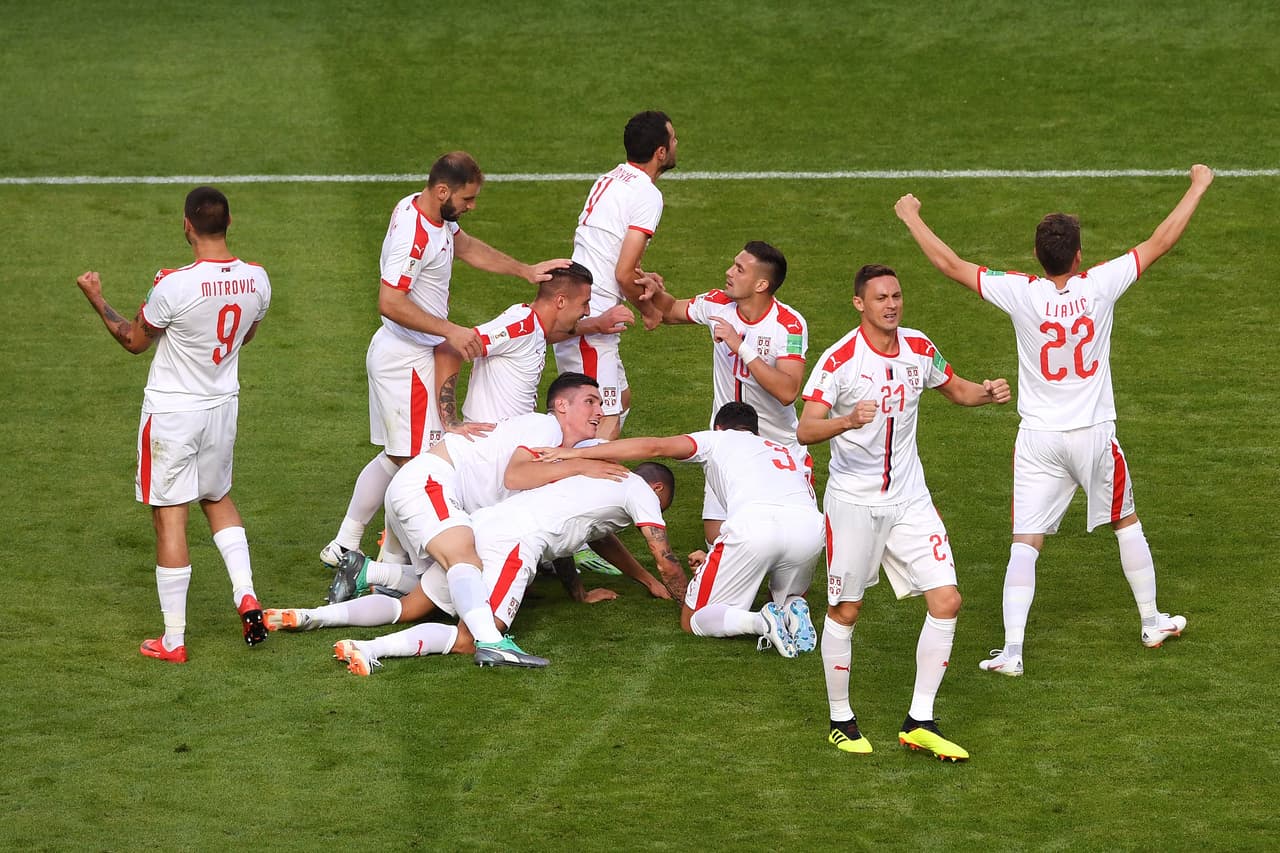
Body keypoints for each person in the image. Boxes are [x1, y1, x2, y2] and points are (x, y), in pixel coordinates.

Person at [894, 165, 1214, 676]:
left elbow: (951, 265)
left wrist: (911, 216)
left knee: (1026, 541)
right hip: (1093, 434)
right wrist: (1197, 186)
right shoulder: (1101, 284)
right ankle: (1152, 620)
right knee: (1125, 521)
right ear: (1079, 255)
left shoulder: (1022, 291)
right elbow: (1161, 241)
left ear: (1037, 255)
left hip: (1038, 438)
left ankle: (1012, 651)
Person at [798, 264, 1011, 760]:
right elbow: (805, 429)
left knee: (947, 600)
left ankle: (920, 721)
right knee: (846, 610)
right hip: (854, 503)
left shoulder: (919, 347)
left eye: (896, 296)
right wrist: (847, 420)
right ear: (860, 304)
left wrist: (987, 393)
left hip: (910, 499)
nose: (891, 305)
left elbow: (957, 389)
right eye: (880, 298)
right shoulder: (840, 360)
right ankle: (840, 719)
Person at [320, 152, 568, 570]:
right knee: (419, 466)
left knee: (399, 456)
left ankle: (346, 544)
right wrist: (449, 330)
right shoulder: (414, 237)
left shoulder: (427, 213)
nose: (472, 206)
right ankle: (388, 567)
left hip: (406, 353)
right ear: (441, 191)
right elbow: (390, 301)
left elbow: (464, 245)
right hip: (408, 361)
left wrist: (524, 271)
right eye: (467, 199)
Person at [75, 186, 272, 663]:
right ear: (229, 222)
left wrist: (97, 298)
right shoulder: (257, 279)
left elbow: (134, 340)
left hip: (172, 414)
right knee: (217, 497)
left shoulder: (173, 285)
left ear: (187, 225)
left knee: (169, 515)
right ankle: (246, 594)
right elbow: (245, 336)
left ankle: (174, 639)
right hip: (222, 406)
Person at [266, 463, 684, 676]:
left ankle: (310, 616)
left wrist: (588, 590)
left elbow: (591, 536)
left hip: (481, 526)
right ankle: (369, 649)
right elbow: (663, 555)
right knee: (474, 639)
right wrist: (689, 603)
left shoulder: (593, 485)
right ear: (657, 489)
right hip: (513, 544)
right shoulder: (639, 489)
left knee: (412, 606)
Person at [326, 372, 627, 667]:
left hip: (425, 489)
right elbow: (515, 476)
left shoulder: (554, 448)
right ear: (562, 405)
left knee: (432, 594)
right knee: (464, 564)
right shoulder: (546, 427)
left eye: (600, 404)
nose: (600, 412)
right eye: (590, 402)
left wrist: (578, 592)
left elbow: (555, 526)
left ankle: (363, 576)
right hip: (430, 485)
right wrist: (580, 467)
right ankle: (492, 643)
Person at [534, 402, 824, 658]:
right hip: (810, 528)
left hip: (755, 526)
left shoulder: (717, 439)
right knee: (784, 594)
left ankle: (760, 621)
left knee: (693, 620)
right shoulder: (786, 452)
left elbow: (654, 447)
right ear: (755, 431)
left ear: (718, 427)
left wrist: (572, 453)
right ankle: (792, 606)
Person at [645, 240, 812, 543]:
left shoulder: (788, 325)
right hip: (726, 445)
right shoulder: (718, 303)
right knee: (716, 540)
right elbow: (668, 311)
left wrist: (740, 346)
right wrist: (651, 290)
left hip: (776, 447)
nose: (729, 272)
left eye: (739, 269)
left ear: (761, 284)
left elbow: (788, 391)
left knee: (786, 538)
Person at [553, 110, 678, 440]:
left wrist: (640, 274)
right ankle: (569, 469)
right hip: (592, 321)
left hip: (582, 306)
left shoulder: (610, 179)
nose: (677, 143)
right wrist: (649, 311)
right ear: (660, 152)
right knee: (600, 422)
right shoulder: (647, 195)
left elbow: (604, 250)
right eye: (673, 139)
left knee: (620, 401)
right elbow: (622, 273)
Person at [432, 262, 633, 430]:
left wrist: (596, 324)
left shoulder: (533, 328)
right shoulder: (520, 326)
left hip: (514, 441)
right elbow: (450, 349)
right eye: (584, 303)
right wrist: (450, 422)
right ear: (561, 301)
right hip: (493, 446)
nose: (587, 311)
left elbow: (544, 337)